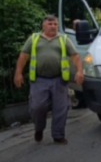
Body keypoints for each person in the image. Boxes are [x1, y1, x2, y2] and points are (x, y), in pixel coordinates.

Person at [14, 15, 84, 145]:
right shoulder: (34, 39)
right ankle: (39, 129)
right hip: (39, 80)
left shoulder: (63, 39)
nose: (53, 26)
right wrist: (18, 73)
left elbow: (75, 56)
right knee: (37, 107)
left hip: (59, 79)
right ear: (43, 25)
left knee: (61, 108)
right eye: (50, 24)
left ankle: (58, 135)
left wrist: (79, 71)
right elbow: (23, 56)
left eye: (55, 24)